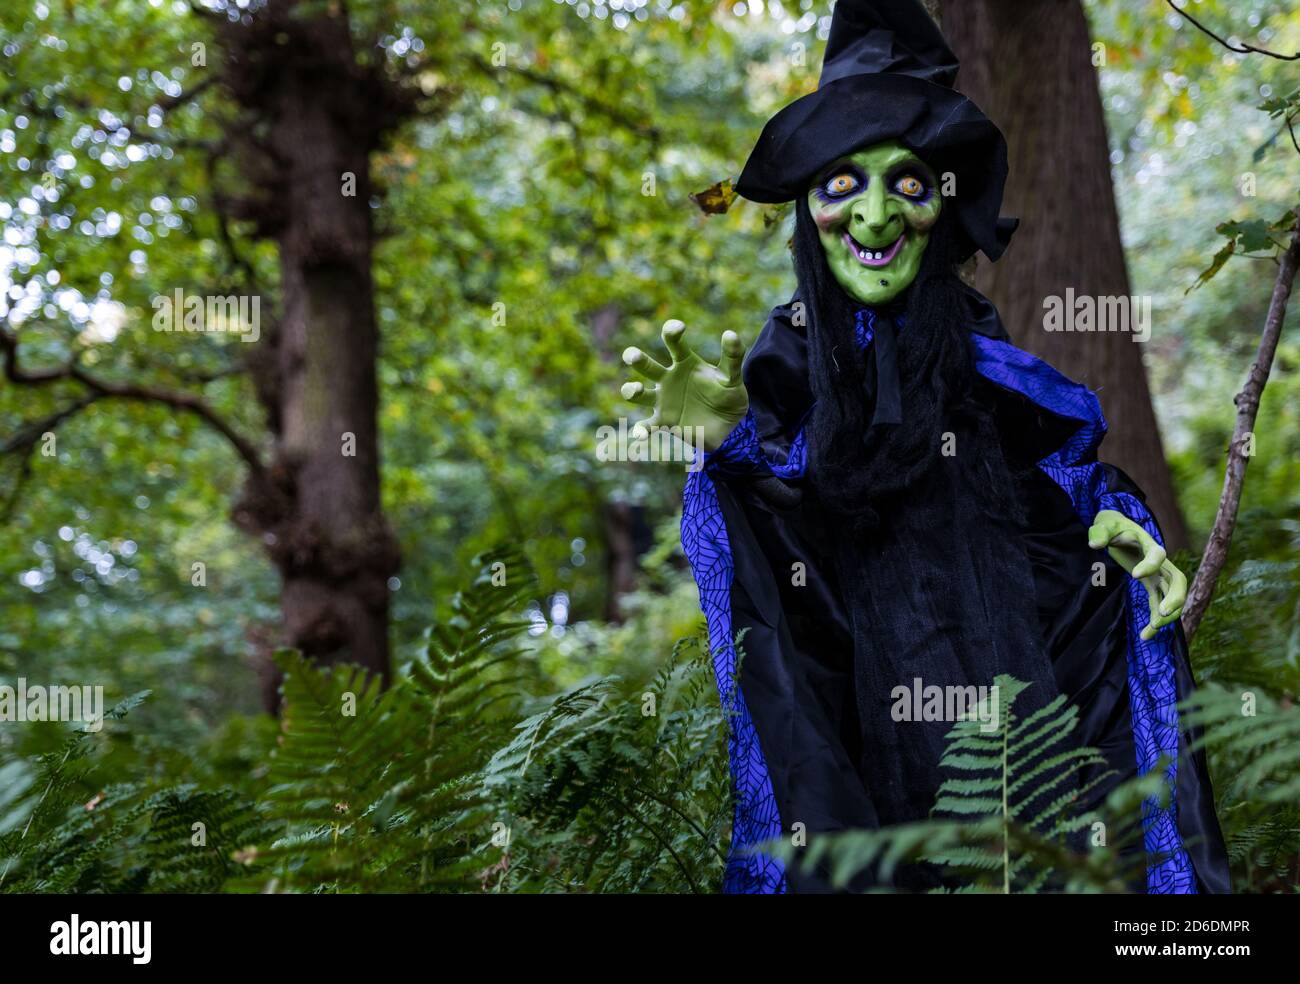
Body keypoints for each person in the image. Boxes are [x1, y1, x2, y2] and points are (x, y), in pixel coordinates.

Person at [618, 0, 1229, 894]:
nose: (874, 217)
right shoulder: (785, 367)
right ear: (808, 212)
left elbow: (1053, 491)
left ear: (942, 205)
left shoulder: (988, 362)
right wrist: (731, 448)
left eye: (906, 184)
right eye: (841, 185)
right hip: (862, 723)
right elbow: (781, 559)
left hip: (1001, 692)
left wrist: (1119, 534)